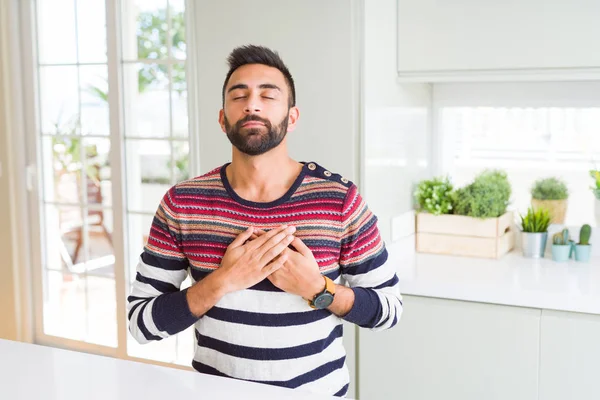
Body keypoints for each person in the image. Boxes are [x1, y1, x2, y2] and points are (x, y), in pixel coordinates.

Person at [127, 44, 402, 398]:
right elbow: (141, 324)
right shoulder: (183, 203)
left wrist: (318, 289)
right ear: (222, 118)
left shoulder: (339, 200)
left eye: (268, 96)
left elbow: (389, 310)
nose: (252, 105)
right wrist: (224, 281)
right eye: (238, 95)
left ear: (292, 117)